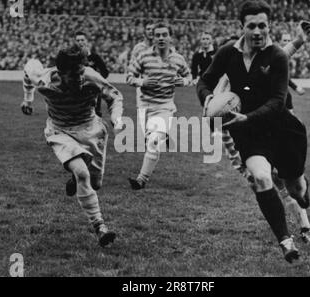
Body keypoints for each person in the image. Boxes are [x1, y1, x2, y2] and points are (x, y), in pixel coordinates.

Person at [197, 0, 310, 263]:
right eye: (252, 26)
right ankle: (286, 240)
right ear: (242, 27)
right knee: (261, 177)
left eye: (263, 25)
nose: (258, 31)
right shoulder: (228, 53)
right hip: (250, 132)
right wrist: (206, 98)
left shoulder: (277, 56)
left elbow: (278, 102)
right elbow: (205, 80)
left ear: (269, 26)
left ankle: (303, 194)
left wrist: (246, 116)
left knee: (296, 190)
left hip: (282, 129)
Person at [20, 45, 124, 247]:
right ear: (60, 72)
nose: (78, 78)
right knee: (82, 173)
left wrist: (117, 118)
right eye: (72, 75)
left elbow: (115, 96)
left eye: (80, 72)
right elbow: (28, 69)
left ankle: (76, 179)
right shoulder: (44, 80)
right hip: (60, 131)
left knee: (95, 184)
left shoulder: (90, 77)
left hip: (90, 129)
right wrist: (27, 99)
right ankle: (100, 227)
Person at [126, 22, 192, 190]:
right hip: (145, 105)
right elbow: (129, 77)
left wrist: (183, 81)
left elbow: (189, 76)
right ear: (153, 38)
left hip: (164, 106)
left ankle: (141, 180)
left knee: (154, 141)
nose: (161, 38)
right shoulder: (143, 56)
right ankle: (163, 135)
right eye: (158, 35)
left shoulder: (178, 59)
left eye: (164, 35)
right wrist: (142, 81)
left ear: (170, 37)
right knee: (149, 139)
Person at [75, 31, 109, 117]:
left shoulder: (94, 57)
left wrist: (96, 81)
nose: (80, 42)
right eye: (78, 40)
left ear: (86, 41)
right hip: (77, 92)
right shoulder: (72, 57)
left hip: (93, 92)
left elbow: (105, 72)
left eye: (82, 40)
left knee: (96, 116)